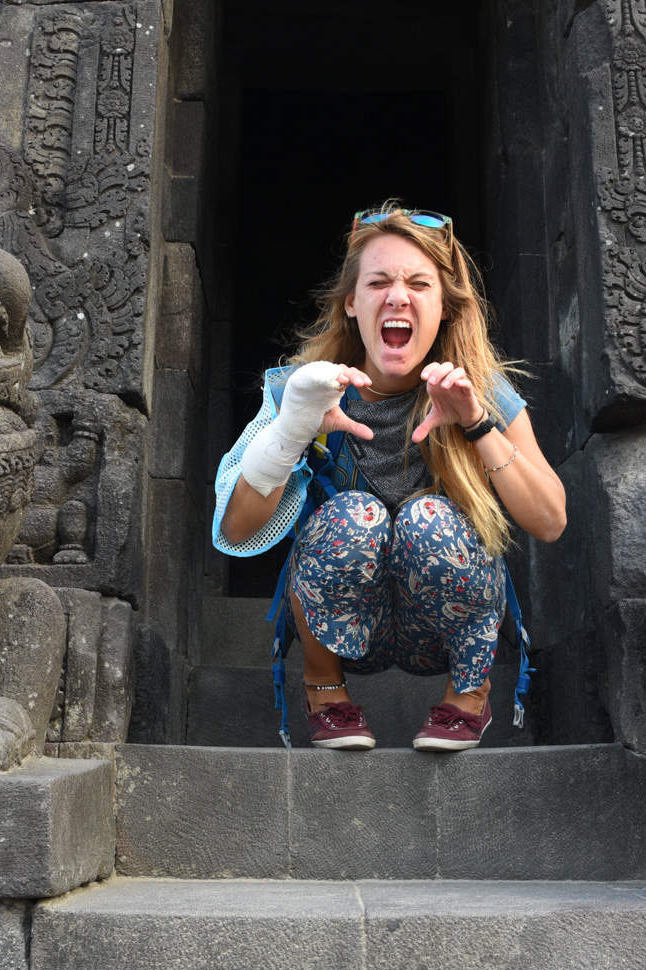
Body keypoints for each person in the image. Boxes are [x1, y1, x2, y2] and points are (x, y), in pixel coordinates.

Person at [213, 205, 567, 752]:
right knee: (356, 515)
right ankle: (324, 688)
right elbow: (236, 529)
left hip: (443, 626)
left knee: (431, 519)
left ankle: (468, 693)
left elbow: (550, 520)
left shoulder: (482, 392)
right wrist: (291, 429)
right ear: (351, 304)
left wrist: (476, 423)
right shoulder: (303, 389)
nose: (397, 296)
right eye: (378, 282)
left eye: (418, 284)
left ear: (444, 307)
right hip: (345, 626)